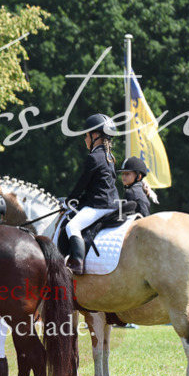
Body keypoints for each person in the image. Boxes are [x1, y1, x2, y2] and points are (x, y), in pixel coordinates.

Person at [65, 114, 120, 275]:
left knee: (72, 226)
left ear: (95, 135)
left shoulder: (94, 157)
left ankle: (77, 264)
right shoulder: (110, 157)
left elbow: (81, 184)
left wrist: (69, 201)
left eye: (86, 135)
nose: (85, 139)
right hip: (113, 203)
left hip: (100, 205)